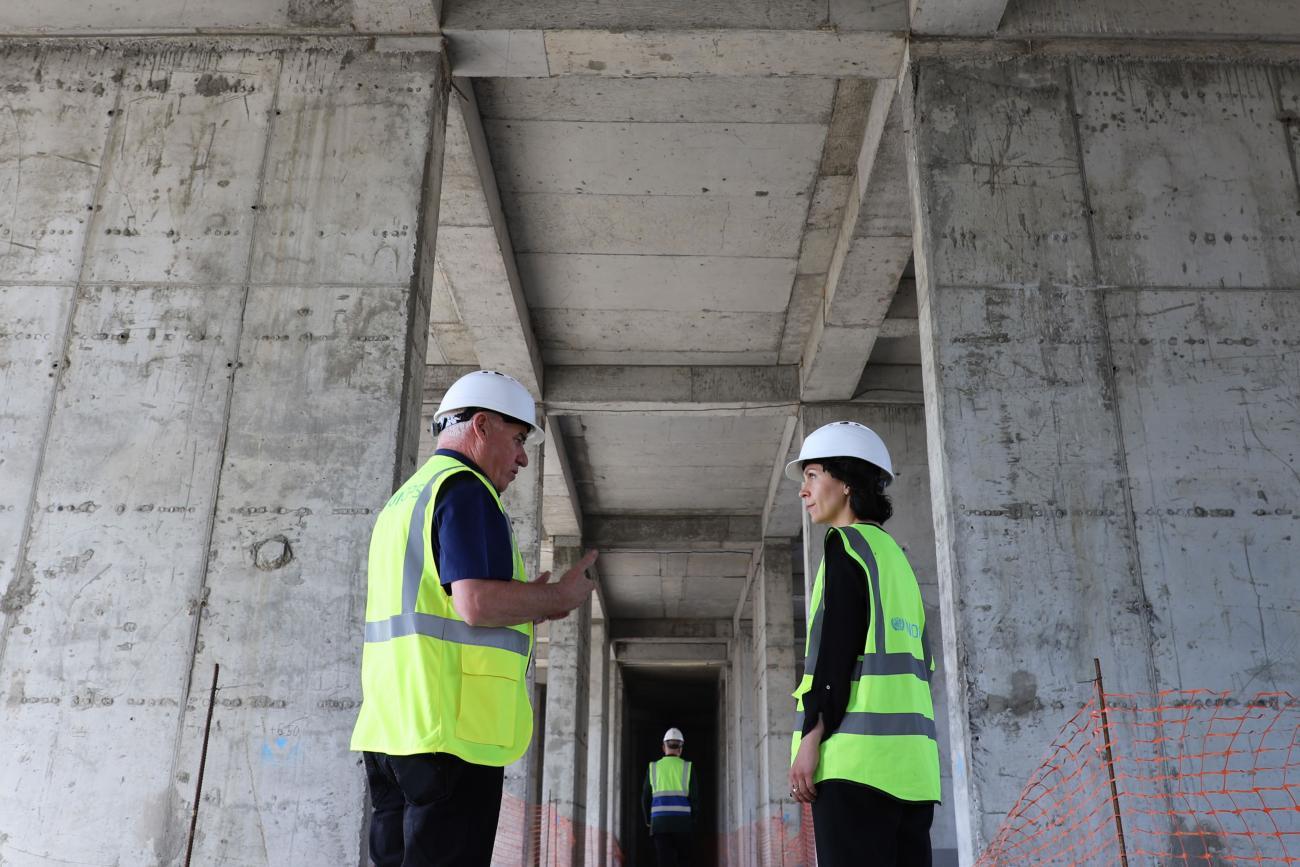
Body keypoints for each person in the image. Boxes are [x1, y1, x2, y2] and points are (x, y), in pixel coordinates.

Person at [350, 370, 598, 867]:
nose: (524, 457)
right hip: (450, 734)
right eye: (518, 439)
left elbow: (440, 607)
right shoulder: (467, 490)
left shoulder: (405, 500)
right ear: (481, 425)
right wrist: (556, 598)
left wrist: (525, 600)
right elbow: (476, 605)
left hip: (392, 729)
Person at [786, 421, 940, 866]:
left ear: (847, 482)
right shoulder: (896, 559)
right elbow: (924, 664)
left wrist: (811, 738)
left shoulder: (845, 545)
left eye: (812, 475)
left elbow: (835, 653)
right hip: (913, 773)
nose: (804, 491)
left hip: (855, 768)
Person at [642, 727, 698, 867]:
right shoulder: (688, 767)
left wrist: (649, 821)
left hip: (659, 824)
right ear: (681, 748)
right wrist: (693, 820)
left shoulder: (653, 767)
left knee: (664, 861)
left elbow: (645, 797)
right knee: (684, 861)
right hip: (683, 824)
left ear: (663, 747)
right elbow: (695, 798)